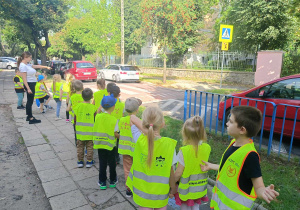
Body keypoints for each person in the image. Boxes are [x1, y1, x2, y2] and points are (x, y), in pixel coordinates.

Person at [201, 106, 279, 210]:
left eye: (231, 121)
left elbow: (259, 186)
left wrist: (263, 191)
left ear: (242, 129)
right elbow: (231, 168)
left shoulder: (250, 156)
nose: (227, 123)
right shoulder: (234, 143)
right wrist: (212, 166)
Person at [126, 107, 177, 210]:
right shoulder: (170, 146)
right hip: (160, 194)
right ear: (162, 123)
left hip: (142, 192)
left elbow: (132, 117)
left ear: (144, 123)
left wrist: (146, 130)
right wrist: (173, 188)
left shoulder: (139, 139)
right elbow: (171, 171)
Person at [174, 116, 211, 210]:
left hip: (187, 189)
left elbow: (178, 173)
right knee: (195, 206)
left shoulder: (184, 151)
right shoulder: (207, 148)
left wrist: (171, 182)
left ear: (185, 134)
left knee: (185, 206)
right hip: (200, 186)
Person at [93, 95, 119, 190]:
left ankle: (102, 182)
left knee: (102, 163)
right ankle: (112, 180)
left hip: (100, 144)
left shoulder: (98, 117)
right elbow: (115, 133)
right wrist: (122, 137)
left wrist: (101, 107)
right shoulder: (114, 119)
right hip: (110, 146)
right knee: (112, 163)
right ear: (113, 107)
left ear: (102, 106)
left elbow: (98, 112)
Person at [118, 97, 142, 197]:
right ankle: (137, 187)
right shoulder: (139, 121)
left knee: (127, 169)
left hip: (125, 149)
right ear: (137, 110)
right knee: (137, 169)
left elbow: (118, 132)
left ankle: (128, 190)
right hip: (136, 150)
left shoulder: (121, 120)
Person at [18, 52, 51, 124]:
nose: (31, 59)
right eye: (30, 57)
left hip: (32, 84)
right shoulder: (23, 66)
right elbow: (24, 79)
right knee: (30, 101)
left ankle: (28, 116)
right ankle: (31, 118)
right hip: (29, 84)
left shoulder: (27, 65)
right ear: (25, 57)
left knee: (30, 100)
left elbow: (36, 66)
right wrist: (28, 88)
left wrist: (46, 67)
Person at [74, 88, 98, 168]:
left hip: (80, 132)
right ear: (92, 97)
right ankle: (89, 161)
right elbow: (95, 119)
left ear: (82, 96)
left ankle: (80, 161)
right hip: (90, 132)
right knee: (90, 147)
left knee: (80, 147)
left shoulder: (78, 106)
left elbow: (75, 119)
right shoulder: (93, 108)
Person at [110, 85, 125, 164]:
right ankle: (117, 157)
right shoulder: (122, 105)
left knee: (112, 140)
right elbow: (122, 116)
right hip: (118, 126)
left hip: (110, 124)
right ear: (119, 95)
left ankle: (112, 155)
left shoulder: (109, 103)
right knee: (118, 141)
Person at [67, 80, 84, 145]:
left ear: (73, 88)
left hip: (75, 117)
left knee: (76, 130)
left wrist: (72, 109)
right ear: (82, 87)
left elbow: (68, 108)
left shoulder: (72, 97)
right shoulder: (84, 96)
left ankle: (77, 143)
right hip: (83, 116)